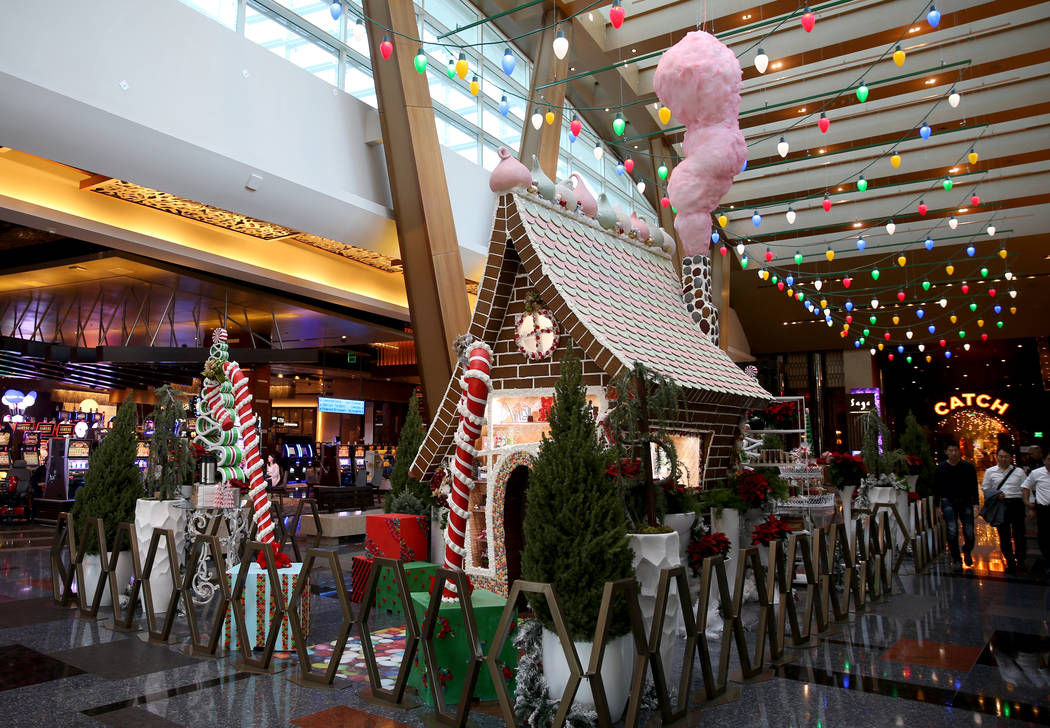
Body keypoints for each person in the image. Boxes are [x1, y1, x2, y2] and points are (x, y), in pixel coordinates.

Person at [982, 447, 1028, 574]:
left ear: (1011, 458)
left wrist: (1029, 504)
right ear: (997, 456)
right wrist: (996, 494)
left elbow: (1025, 488)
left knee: (1019, 534)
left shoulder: (1019, 472)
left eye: (1006, 456)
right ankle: (1010, 561)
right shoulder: (990, 471)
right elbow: (985, 488)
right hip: (1000, 505)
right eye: (1001, 456)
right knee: (1004, 535)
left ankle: (1021, 561)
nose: (1003, 459)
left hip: (1016, 504)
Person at [934, 443, 979, 569]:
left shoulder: (968, 467)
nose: (953, 453)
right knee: (952, 530)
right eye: (950, 450)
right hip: (948, 501)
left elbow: (973, 486)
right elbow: (937, 488)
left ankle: (967, 550)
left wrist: (976, 504)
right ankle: (956, 558)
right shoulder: (941, 468)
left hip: (965, 501)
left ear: (959, 452)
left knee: (969, 530)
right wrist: (937, 506)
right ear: (946, 452)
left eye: (955, 450)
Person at [1022, 451, 1050, 580]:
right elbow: (1026, 487)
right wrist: (1028, 503)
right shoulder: (1036, 473)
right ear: (1044, 460)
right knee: (1044, 537)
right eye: (1049, 459)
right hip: (1043, 509)